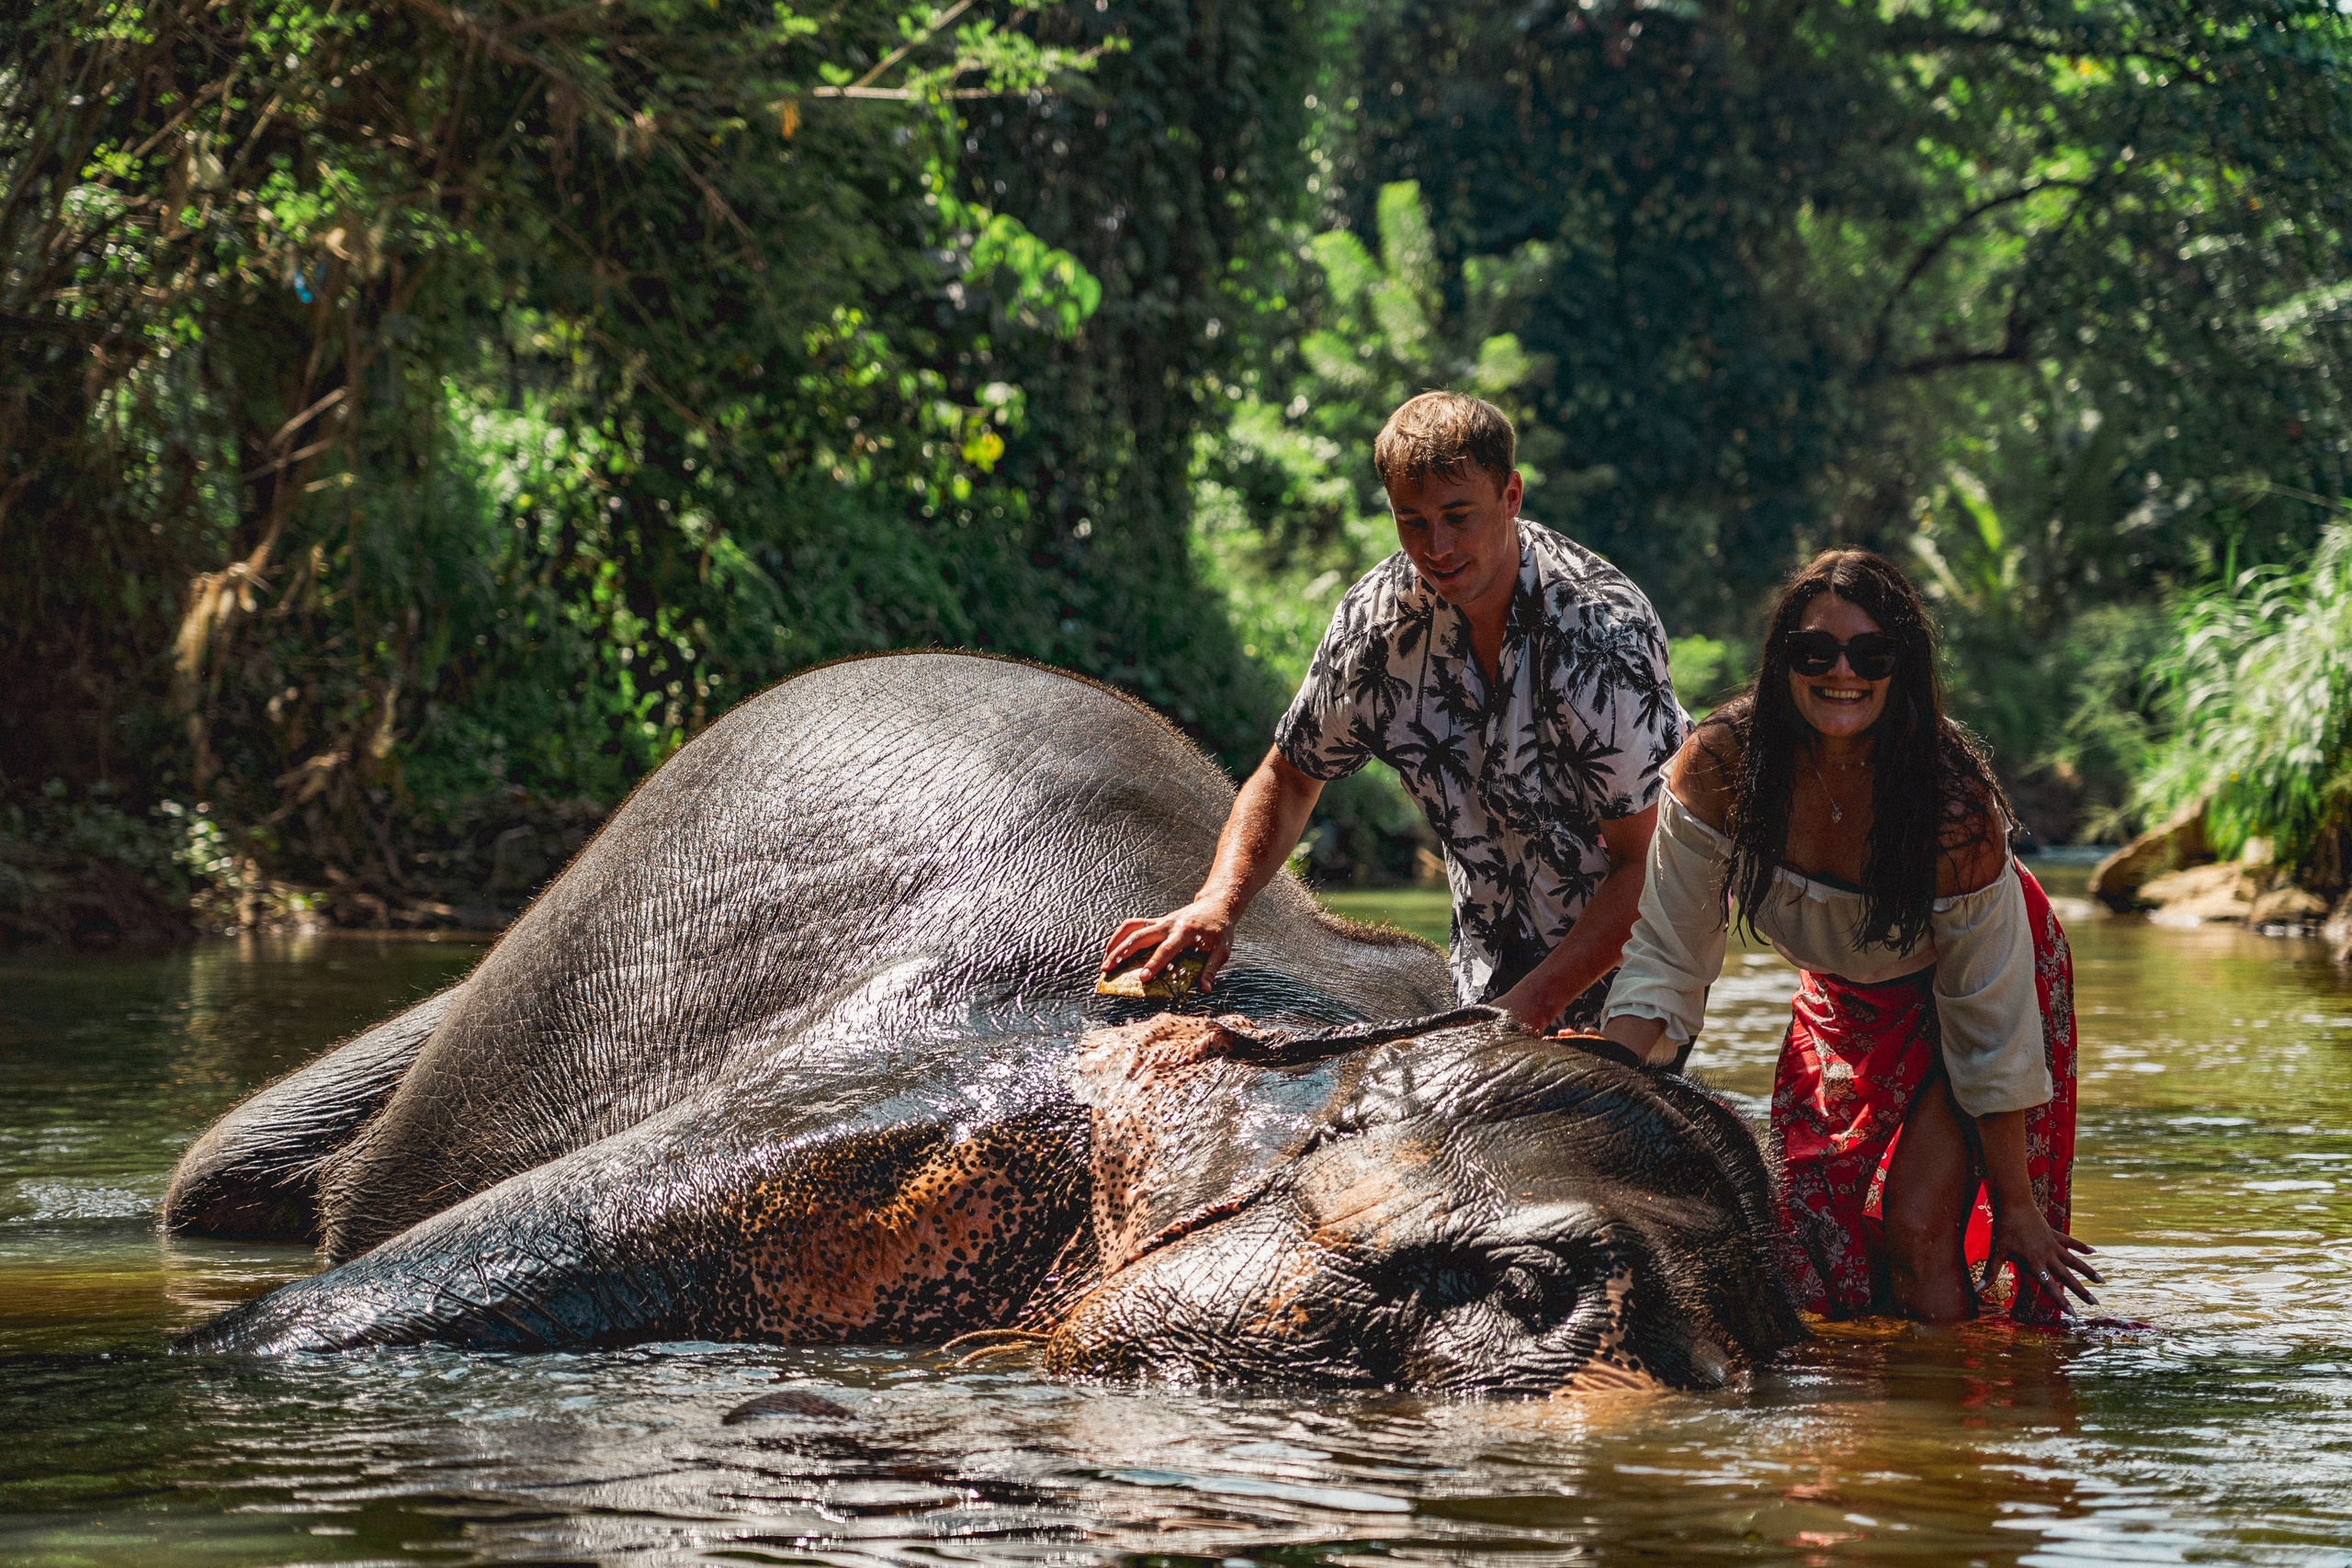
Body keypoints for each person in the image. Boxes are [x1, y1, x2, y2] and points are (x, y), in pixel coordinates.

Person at [1599, 548, 2097, 1323]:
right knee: (1809, 1239)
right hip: (1840, 999)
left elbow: (1991, 1032)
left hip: (1971, 992)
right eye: (1814, 651)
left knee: (1917, 1225)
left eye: (1871, 654)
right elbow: (1667, 959)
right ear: (1781, 660)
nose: (1843, 672)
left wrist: (2018, 1205)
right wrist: (1608, 1086)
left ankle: (1953, 1433)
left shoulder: (1953, 811)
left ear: (1903, 668)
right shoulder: (1722, 767)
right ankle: (1863, 1423)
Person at [1102, 390, 1685, 1033]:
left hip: (1640, 959)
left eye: (1459, 516)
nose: (1437, 547)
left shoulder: (1600, 634)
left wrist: (1536, 1007)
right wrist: (1220, 900)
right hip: (1488, 964)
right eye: (1413, 522)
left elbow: (1651, 864)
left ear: (1510, 497)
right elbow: (1290, 777)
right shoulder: (1378, 624)